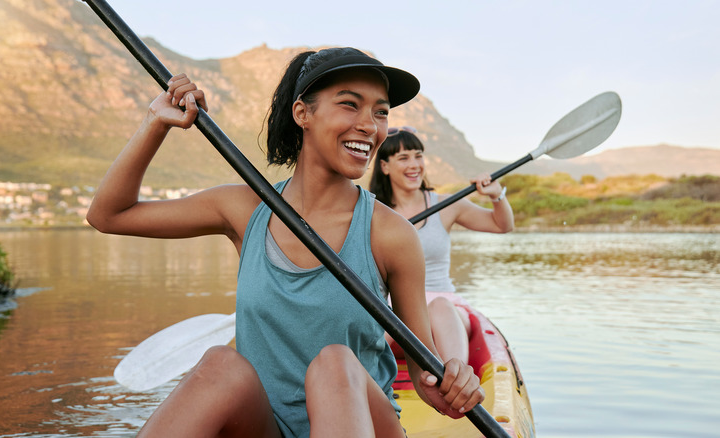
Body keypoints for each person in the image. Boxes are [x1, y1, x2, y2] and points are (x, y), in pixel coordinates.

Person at [87, 47, 483, 438]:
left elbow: (423, 371)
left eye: (381, 112)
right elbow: (109, 215)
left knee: (334, 363)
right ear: (302, 113)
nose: (370, 125)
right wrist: (157, 122)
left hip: (367, 424)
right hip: (266, 427)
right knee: (221, 364)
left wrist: (449, 382)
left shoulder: (390, 232)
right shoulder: (243, 208)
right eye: (350, 105)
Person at [369, 127, 514, 364]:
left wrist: (496, 196)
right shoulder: (372, 212)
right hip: (395, 318)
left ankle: (456, 384)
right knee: (385, 317)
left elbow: (501, 225)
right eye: (403, 158)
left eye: (418, 156)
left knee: (439, 307)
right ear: (385, 166)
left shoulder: (447, 205)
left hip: (445, 315)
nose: (414, 164)